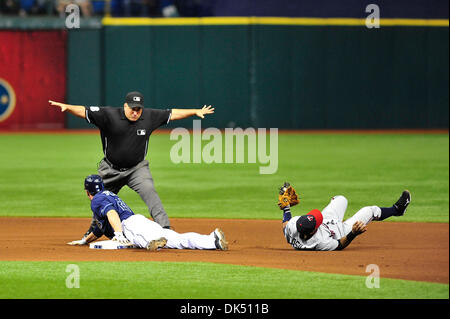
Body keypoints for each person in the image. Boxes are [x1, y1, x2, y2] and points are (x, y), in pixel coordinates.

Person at [49, 91, 214, 236]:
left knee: (150, 191)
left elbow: (172, 113)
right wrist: (67, 107)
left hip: (137, 169)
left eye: (138, 109)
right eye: (132, 108)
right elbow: (84, 110)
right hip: (110, 169)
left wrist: (195, 111)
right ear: (125, 106)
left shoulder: (149, 116)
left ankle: (165, 229)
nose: (135, 112)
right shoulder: (109, 115)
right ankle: (94, 229)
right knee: (100, 199)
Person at [67, 175, 228, 251]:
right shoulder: (107, 195)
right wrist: (84, 240)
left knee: (140, 239)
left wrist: (118, 233)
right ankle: (212, 240)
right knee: (177, 239)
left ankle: (153, 241)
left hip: (129, 225)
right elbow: (99, 229)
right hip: (140, 221)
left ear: (87, 191)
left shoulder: (96, 200)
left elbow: (111, 214)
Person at [277, 182, 411, 251]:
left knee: (341, 199)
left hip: (327, 220)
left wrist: (286, 208)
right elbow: (340, 245)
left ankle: (332, 209)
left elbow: (285, 225)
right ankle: (397, 209)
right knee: (370, 211)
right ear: (312, 231)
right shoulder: (320, 242)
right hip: (341, 230)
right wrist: (353, 233)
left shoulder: (295, 226)